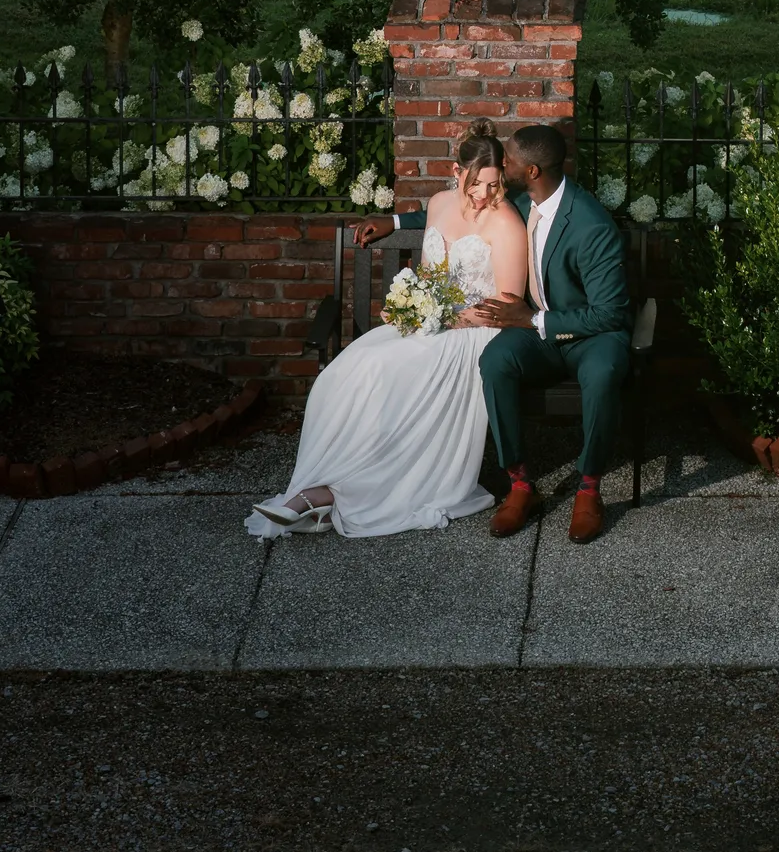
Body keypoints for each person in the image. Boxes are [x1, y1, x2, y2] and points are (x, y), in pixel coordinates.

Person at [246, 121, 525, 539]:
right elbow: (429, 276)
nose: (484, 194)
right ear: (456, 171)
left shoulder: (506, 221)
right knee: (342, 375)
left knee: (384, 372)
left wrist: (446, 318)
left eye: (493, 183)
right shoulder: (438, 205)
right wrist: (413, 304)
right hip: (430, 322)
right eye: (476, 183)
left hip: (473, 333)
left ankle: (342, 494)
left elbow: (508, 303)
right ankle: (318, 486)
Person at [359, 120, 630, 545]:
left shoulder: (592, 225)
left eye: (511, 162)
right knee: (495, 361)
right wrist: (395, 219)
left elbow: (610, 313)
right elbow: (458, 211)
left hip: (589, 334)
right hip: (534, 327)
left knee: (602, 374)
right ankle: (520, 482)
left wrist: (533, 320)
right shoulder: (525, 200)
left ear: (533, 172)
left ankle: (589, 488)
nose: (504, 166)